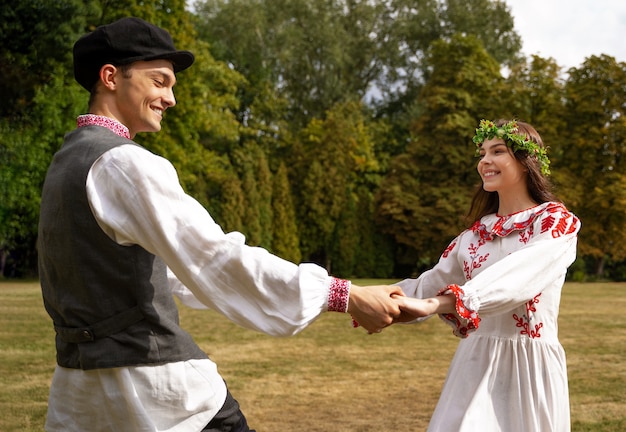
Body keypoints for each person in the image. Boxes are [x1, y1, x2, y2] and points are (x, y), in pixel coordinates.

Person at [37, 17, 404, 432]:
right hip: (155, 390)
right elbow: (213, 258)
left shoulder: (67, 160)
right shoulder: (124, 162)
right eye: (159, 81)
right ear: (110, 77)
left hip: (80, 394)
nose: (170, 98)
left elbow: (165, 272)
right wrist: (342, 294)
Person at [394, 119, 581, 431]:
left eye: (497, 151)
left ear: (525, 162)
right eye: (482, 153)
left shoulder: (554, 224)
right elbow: (426, 286)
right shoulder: (474, 235)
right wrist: (353, 296)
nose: (485, 161)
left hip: (529, 369)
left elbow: (519, 276)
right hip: (474, 364)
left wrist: (442, 304)